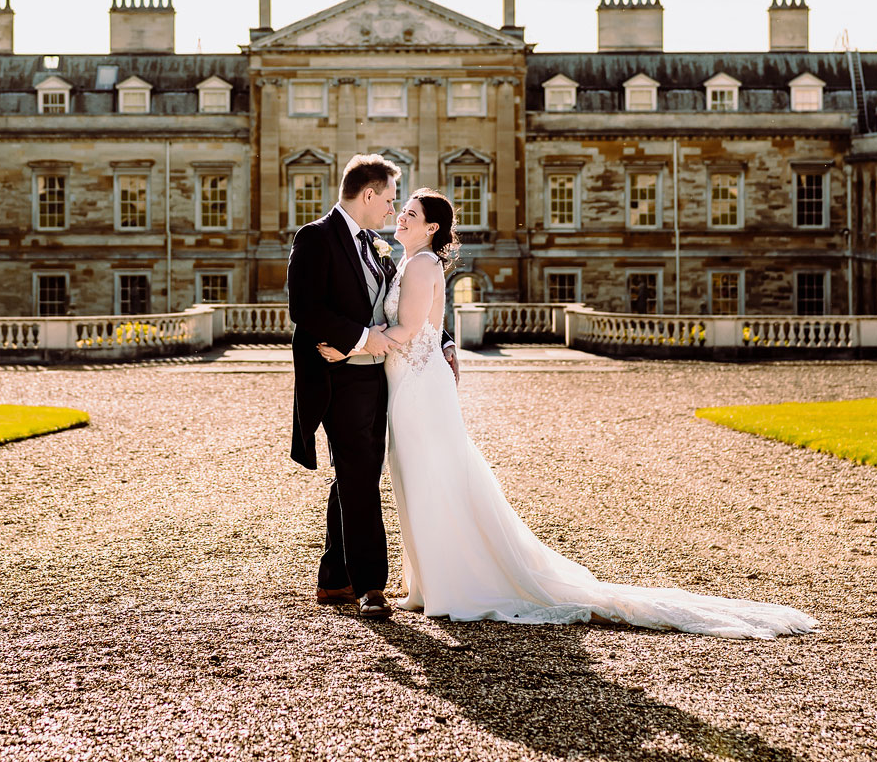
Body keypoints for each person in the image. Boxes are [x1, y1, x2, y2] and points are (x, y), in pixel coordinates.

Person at [320, 187, 817, 639]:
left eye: (410, 213)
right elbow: (428, 325)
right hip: (410, 385)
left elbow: (408, 331)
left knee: (432, 478)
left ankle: (454, 586)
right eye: (401, 209)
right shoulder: (405, 263)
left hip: (417, 390)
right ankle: (430, 582)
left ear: (431, 228)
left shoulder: (423, 264)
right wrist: (429, 341)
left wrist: (351, 349)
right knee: (421, 479)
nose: (400, 216)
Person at [285, 154, 455, 619]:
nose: (392, 208)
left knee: (353, 475)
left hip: (380, 378)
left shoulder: (375, 245)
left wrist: (442, 340)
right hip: (341, 377)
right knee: (361, 476)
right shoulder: (316, 238)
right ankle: (371, 586)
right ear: (368, 195)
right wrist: (360, 342)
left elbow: (407, 312)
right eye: (389, 199)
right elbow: (306, 310)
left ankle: (334, 578)